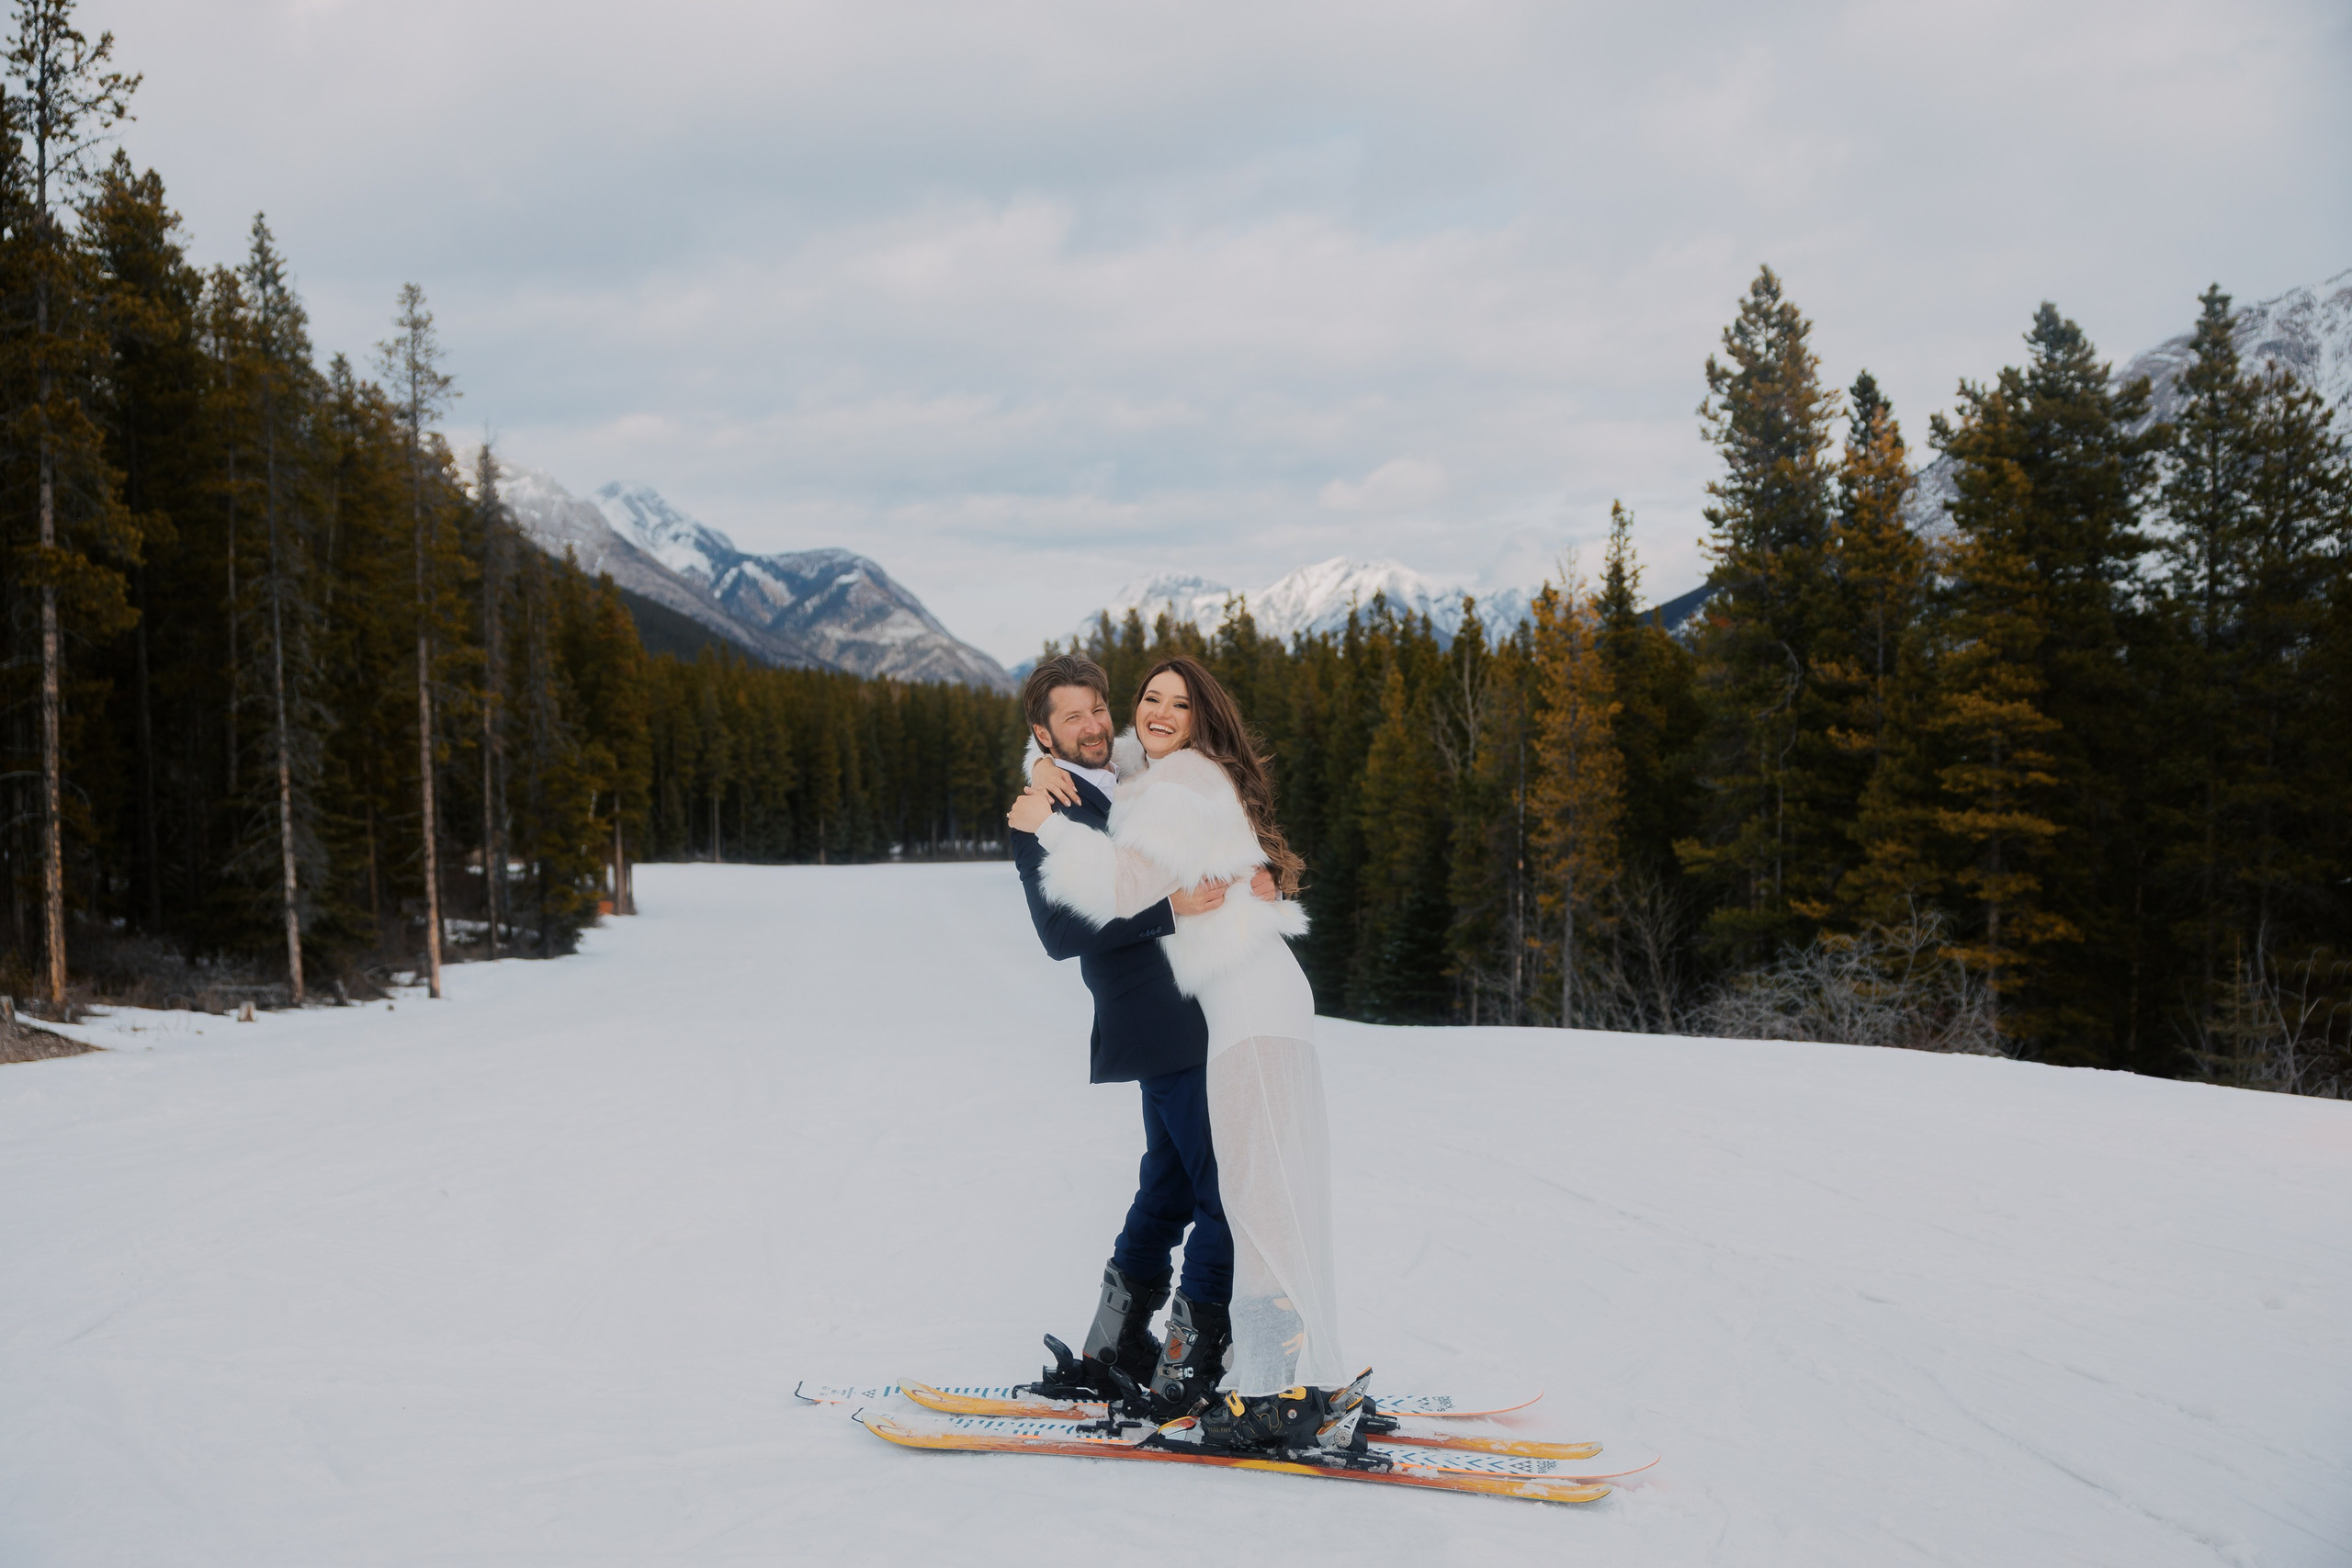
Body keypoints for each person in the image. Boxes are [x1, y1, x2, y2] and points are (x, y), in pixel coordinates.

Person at [1010, 655, 1346, 1423]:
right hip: (1161, 1020)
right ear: (1043, 731)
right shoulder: (1045, 807)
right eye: (1072, 717)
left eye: (1099, 707)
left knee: (1167, 1185)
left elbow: (1199, 804)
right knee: (1224, 1189)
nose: (1095, 724)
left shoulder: (1125, 772)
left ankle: (1114, 1346)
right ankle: (1189, 1366)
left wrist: (1252, 879)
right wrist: (1175, 907)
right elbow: (1061, 929)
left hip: (1194, 1011)